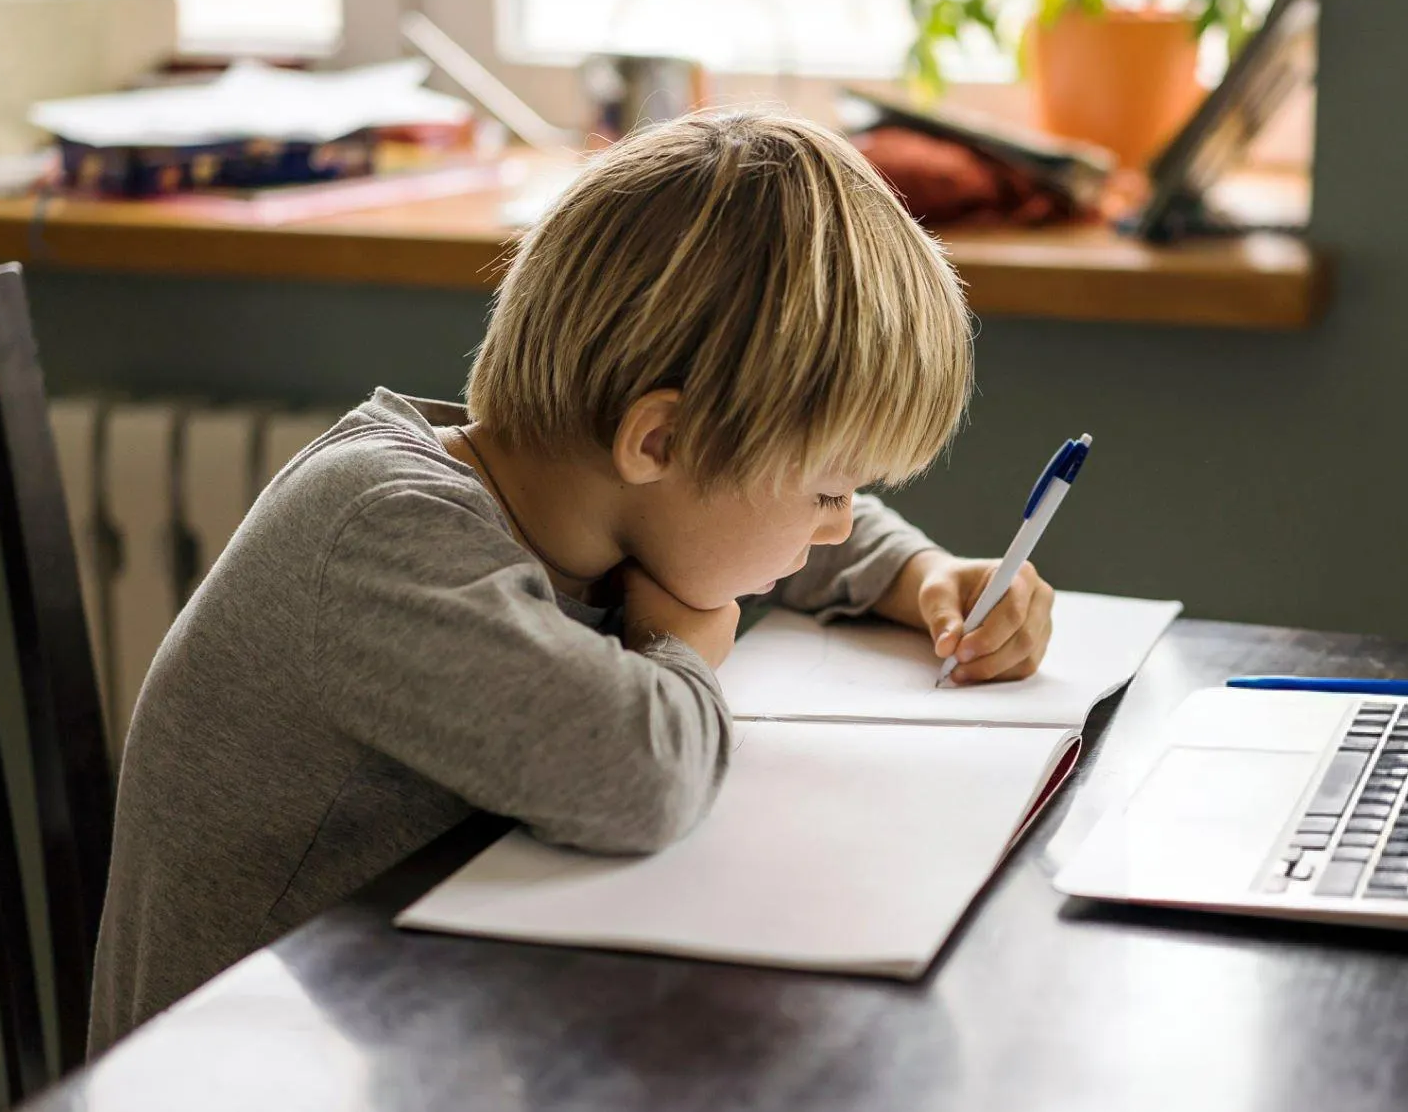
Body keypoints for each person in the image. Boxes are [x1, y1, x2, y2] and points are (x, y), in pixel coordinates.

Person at [89, 111, 1057, 1050]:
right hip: (235, 1065)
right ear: (659, 440)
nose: (838, 523)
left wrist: (919, 571)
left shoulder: (577, 490)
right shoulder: (381, 531)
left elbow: (745, 512)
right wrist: (683, 650)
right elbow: (634, 776)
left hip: (410, 1021)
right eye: (829, 491)